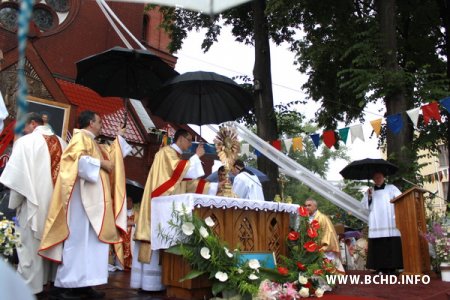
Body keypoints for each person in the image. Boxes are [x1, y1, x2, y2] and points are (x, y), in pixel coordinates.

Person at [39, 110, 131, 299]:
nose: (101, 125)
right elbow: (75, 162)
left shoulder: (92, 142)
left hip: (93, 203)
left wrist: (119, 138)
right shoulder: (80, 138)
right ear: (90, 123)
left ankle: (85, 284)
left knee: (92, 245)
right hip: (81, 203)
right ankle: (66, 285)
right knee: (78, 242)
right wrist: (101, 164)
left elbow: (110, 157)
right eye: (99, 122)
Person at [132, 128, 221, 291]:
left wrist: (214, 186)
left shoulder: (178, 158)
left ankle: (163, 281)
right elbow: (172, 177)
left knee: (166, 239)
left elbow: (186, 183)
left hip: (168, 206)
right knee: (158, 236)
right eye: (189, 140)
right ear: (180, 138)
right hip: (158, 205)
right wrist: (197, 156)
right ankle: (149, 284)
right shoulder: (166, 153)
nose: (190, 143)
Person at [0, 112, 66, 296]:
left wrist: (13, 204)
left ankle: (29, 288)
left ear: (32, 123)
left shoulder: (26, 142)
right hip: (56, 207)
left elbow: (16, 179)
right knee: (49, 244)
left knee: (28, 248)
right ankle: (47, 283)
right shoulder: (63, 143)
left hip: (32, 205)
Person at [361, 172, 402, 275]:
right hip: (376, 221)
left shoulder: (391, 188)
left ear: (384, 177)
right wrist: (369, 197)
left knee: (390, 244)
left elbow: (400, 199)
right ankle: (379, 267)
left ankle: (392, 268)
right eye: (375, 177)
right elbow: (365, 206)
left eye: (379, 177)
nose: (378, 179)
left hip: (389, 220)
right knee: (378, 245)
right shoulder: (370, 191)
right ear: (373, 179)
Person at [304, 198, 344, 273]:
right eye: (305, 205)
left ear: (315, 207)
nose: (306, 207)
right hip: (309, 248)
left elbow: (329, 233)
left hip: (323, 248)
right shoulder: (305, 218)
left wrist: (323, 247)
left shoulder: (323, 218)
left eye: (309, 205)